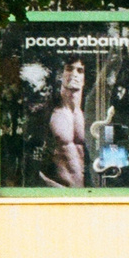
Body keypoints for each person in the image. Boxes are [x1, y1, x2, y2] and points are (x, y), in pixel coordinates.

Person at [45, 57, 90, 187]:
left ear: (85, 78)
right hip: (57, 193)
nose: (74, 74)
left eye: (80, 70)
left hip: (86, 193)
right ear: (60, 75)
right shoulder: (49, 112)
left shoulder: (89, 115)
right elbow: (31, 157)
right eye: (69, 69)